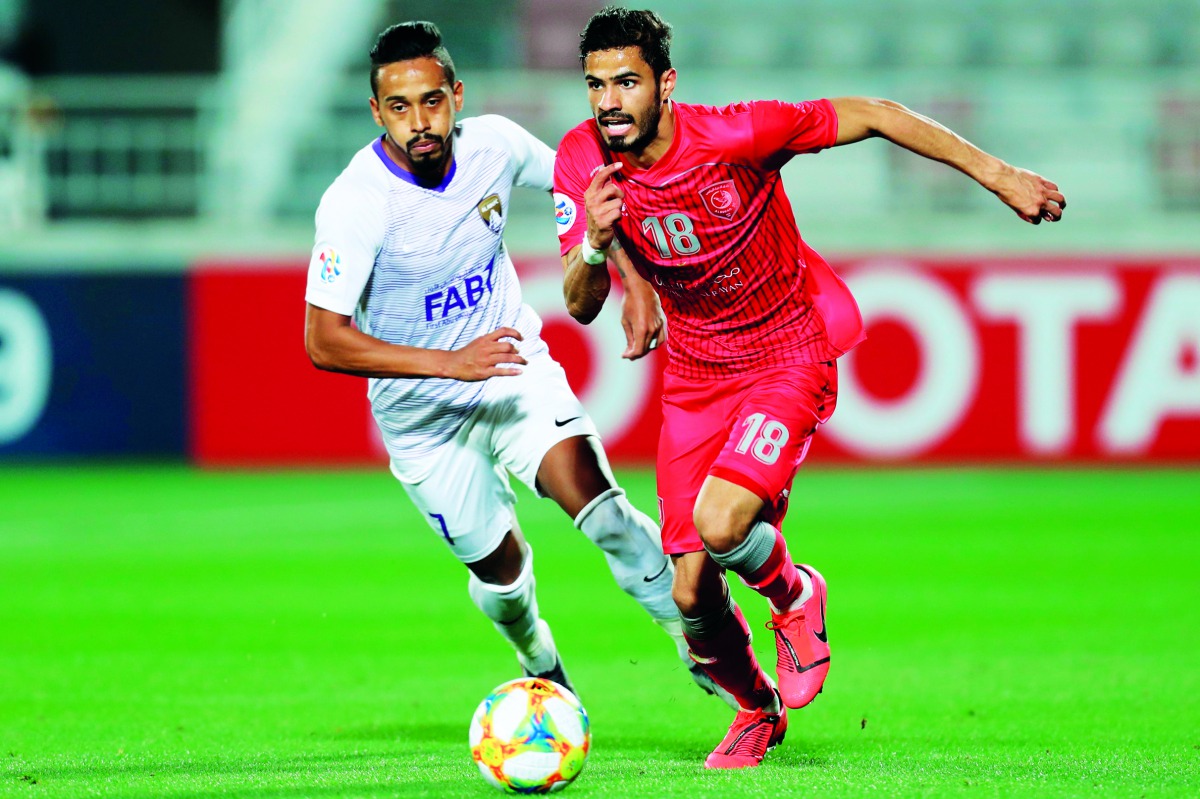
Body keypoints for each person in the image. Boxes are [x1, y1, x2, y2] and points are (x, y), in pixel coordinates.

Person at [554, 6, 1066, 769]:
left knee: (723, 524)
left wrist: (1000, 175)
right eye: (595, 84)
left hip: (785, 352)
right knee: (690, 595)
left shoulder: (734, 136)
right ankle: (755, 709)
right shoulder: (581, 159)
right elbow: (577, 302)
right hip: (695, 376)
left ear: (665, 84)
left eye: (626, 82)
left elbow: (875, 113)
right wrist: (600, 248)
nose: (607, 101)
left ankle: (794, 593)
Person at [303, 20, 735, 707]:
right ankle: (539, 656)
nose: (420, 121)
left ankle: (699, 640)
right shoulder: (356, 204)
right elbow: (323, 340)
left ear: (458, 94)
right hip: (423, 419)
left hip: (511, 373)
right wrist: (449, 363)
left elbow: (587, 187)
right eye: (400, 106)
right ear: (376, 111)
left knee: (601, 508)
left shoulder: (496, 147)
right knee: (502, 577)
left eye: (432, 100)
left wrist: (630, 274)